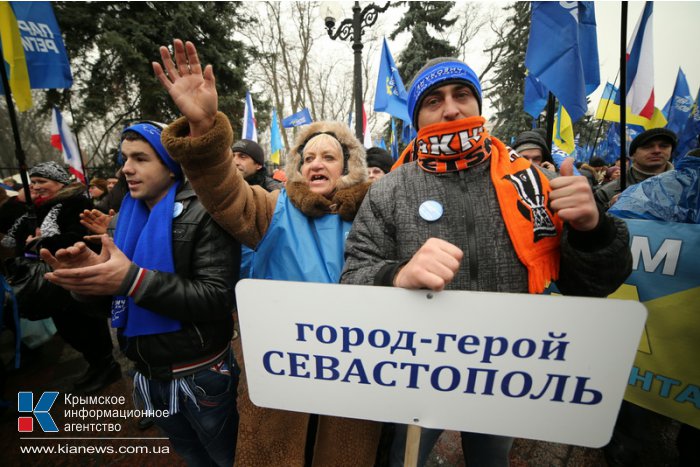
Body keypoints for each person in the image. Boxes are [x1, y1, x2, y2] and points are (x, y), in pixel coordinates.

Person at [340, 57, 633, 467]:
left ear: (478, 105)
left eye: (462, 95)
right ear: (417, 118)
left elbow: (595, 285)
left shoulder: (534, 182)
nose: (451, 109)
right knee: (404, 460)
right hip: (419, 369)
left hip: (505, 369)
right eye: (433, 100)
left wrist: (594, 230)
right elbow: (353, 276)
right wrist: (398, 274)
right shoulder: (389, 190)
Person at [153, 39, 380, 466]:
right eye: (308, 156)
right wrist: (203, 129)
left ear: (347, 165)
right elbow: (222, 191)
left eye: (329, 156)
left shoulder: (376, 212)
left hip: (354, 374)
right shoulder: (273, 209)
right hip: (282, 372)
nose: (317, 164)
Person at [42, 122, 241, 466]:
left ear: (170, 165)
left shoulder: (206, 213)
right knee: (190, 454)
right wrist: (86, 282)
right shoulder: (123, 221)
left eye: (140, 158)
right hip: (145, 373)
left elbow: (217, 298)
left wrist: (133, 279)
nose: (126, 168)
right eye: (124, 158)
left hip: (200, 374)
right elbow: (116, 305)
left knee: (225, 458)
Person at [1, 161, 119, 393]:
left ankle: (106, 366)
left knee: (86, 325)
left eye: (41, 181)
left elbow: (80, 236)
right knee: (68, 329)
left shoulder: (76, 202)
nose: (35, 186)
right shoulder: (36, 207)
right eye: (33, 182)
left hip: (76, 274)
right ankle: (96, 365)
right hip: (53, 280)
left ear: (59, 182)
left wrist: (43, 242)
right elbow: (10, 238)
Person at [596, 128, 677, 209]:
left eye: (664, 146)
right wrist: (609, 208)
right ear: (633, 155)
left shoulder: (686, 187)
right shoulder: (607, 192)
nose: (657, 150)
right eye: (648, 146)